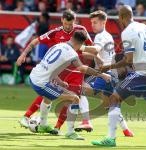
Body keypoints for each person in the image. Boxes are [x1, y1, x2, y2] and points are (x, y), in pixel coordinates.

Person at [91, 5, 146, 147]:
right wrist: (144, 57)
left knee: (114, 98)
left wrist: (107, 67)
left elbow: (128, 60)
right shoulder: (143, 26)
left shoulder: (126, 32)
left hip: (144, 72)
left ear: (121, 17)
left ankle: (110, 139)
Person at [17, 10, 94, 138]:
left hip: (74, 71)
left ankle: (56, 127)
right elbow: (36, 41)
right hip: (60, 71)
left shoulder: (80, 31)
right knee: (55, 95)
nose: (68, 27)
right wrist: (24, 54)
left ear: (75, 22)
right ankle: (31, 117)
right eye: (66, 24)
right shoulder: (56, 32)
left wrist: (93, 55)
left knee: (63, 98)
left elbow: (92, 47)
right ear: (62, 21)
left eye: (71, 24)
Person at [28, 31, 110, 136]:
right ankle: (70, 132)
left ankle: (43, 125)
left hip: (33, 75)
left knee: (48, 98)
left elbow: (49, 67)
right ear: (80, 44)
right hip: (40, 83)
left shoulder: (58, 45)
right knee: (75, 98)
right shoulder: (71, 53)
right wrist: (102, 75)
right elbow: (82, 68)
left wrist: (60, 82)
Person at [75, 10, 134, 137]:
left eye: (95, 22)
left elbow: (96, 50)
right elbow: (95, 54)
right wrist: (78, 53)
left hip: (104, 73)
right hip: (112, 74)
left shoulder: (100, 36)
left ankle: (86, 121)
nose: (93, 25)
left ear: (103, 22)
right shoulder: (107, 35)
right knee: (111, 103)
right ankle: (126, 130)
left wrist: (78, 47)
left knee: (79, 90)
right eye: (91, 22)